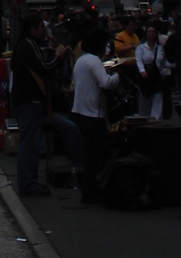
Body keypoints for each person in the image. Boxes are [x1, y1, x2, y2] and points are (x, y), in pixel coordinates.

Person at [11, 16, 83, 198]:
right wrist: (58, 57)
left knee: (33, 143)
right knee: (29, 143)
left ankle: (31, 182)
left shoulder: (26, 45)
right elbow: (44, 68)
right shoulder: (29, 45)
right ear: (32, 30)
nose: (45, 30)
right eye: (42, 26)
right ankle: (28, 184)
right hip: (29, 102)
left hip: (30, 103)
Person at [72, 27, 119, 202]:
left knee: (87, 154)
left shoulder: (81, 61)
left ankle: (87, 188)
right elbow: (105, 83)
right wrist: (116, 77)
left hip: (79, 112)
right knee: (96, 155)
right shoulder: (94, 61)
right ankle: (91, 190)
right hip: (93, 114)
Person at [135, 22, 170, 119]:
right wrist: (142, 71)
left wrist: (175, 65)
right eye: (149, 31)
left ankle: (155, 120)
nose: (151, 33)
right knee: (144, 102)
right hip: (146, 78)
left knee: (158, 100)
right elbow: (139, 60)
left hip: (157, 78)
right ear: (146, 34)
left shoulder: (160, 48)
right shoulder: (141, 47)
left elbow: (164, 62)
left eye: (153, 31)